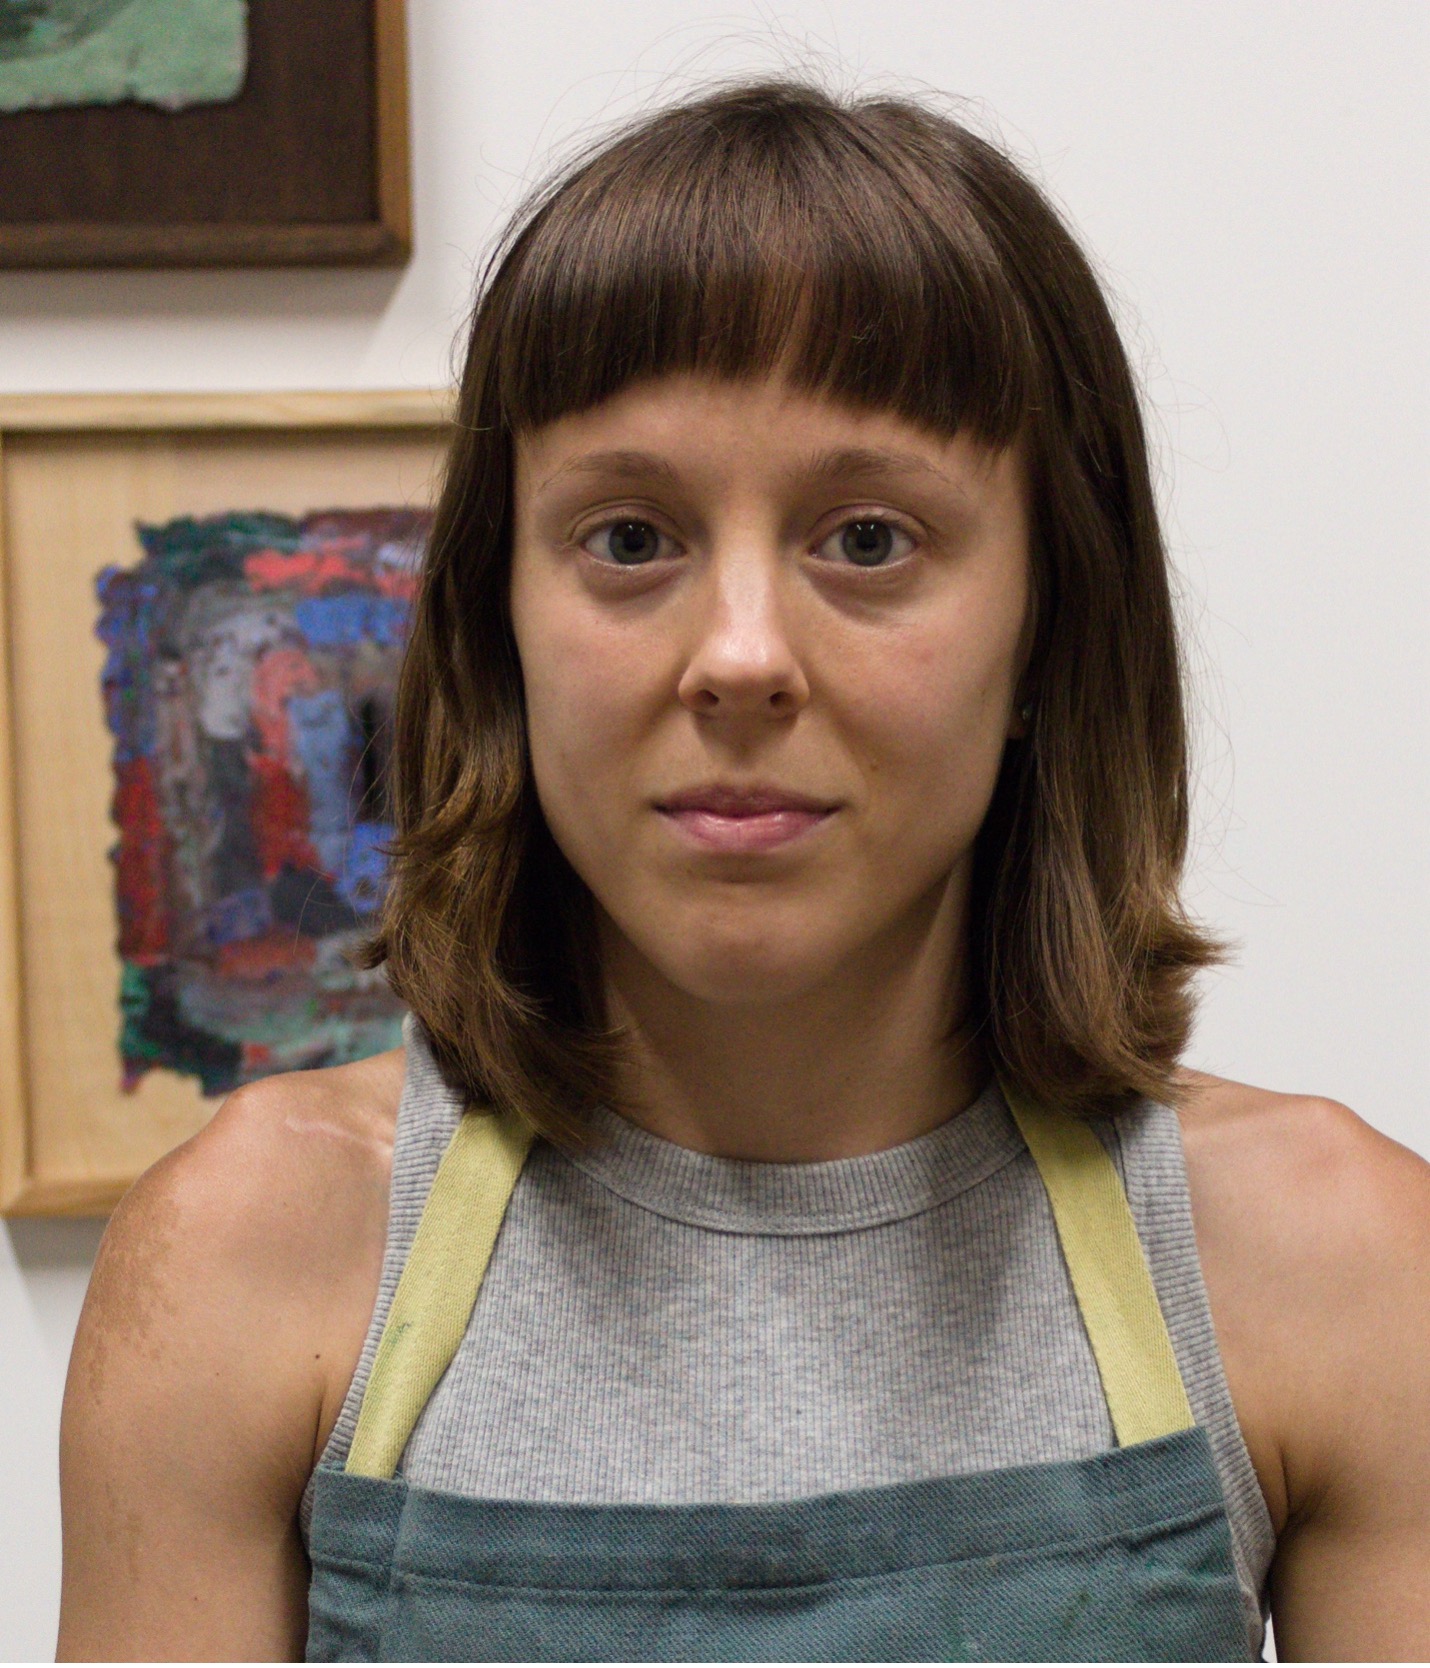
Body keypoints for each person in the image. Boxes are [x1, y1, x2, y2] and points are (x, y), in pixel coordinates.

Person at [56, 81, 1428, 1662]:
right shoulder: (244, 1258)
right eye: (629, 539)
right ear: (497, 620)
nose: (739, 657)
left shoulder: (1337, 1267)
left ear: (1050, 619)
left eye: (867, 539)